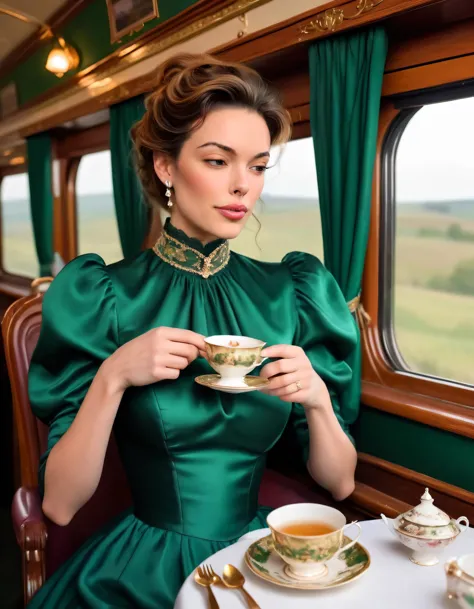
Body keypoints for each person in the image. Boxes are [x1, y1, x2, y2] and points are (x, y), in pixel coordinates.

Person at [27, 52, 358, 608]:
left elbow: (342, 484)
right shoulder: (104, 296)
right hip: (145, 567)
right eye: (217, 160)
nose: (242, 186)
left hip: (261, 561)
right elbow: (60, 505)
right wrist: (113, 376)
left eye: (256, 166)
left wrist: (319, 400)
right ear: (165, 167)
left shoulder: (294, 292)